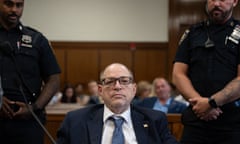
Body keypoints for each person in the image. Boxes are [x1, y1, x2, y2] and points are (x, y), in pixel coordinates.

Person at [56, 63, 179, 144]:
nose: (117, 87)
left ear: (134, 89)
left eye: (124, 81)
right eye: (110, 82)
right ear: (100, 90)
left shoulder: (155, 120)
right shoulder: (75, 121)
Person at [172, 0, 240, 143]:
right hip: (196, 122)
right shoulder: (192, 32)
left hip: (232, 125)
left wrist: (211, 103)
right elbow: (178, 74)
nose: (216, 3)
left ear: (234, 2)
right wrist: (201, 105)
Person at [0, 0, 61, 144]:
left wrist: (34, 107)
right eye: (9, 4)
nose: (14, 9)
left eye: (19, 5)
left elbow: (54, 78)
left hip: (28, 122)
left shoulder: (37, 39)